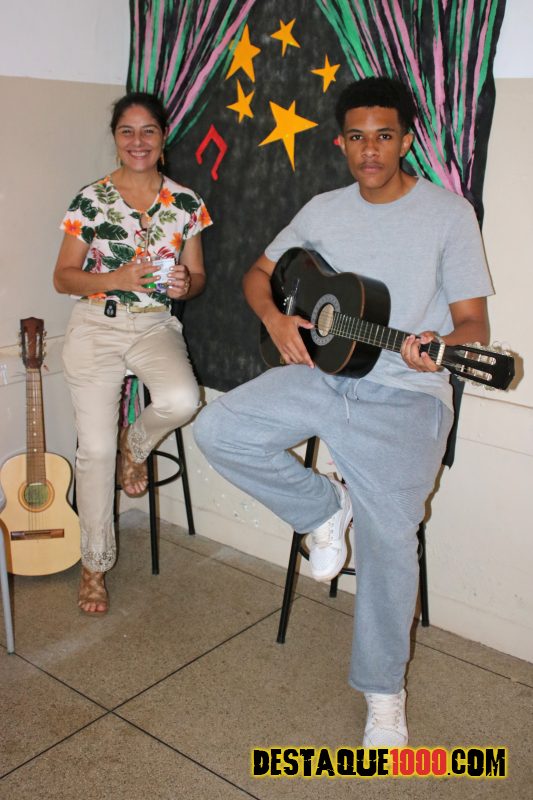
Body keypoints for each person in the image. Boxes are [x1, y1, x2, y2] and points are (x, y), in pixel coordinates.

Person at [193, 76, 493, 746]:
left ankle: (383, 691)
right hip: (322, 376)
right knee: (217, 429)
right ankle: (324, 507)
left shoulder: (449, 215)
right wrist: (275, 319)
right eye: (357, 137)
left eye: (383, 136)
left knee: (390, 540)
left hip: (406, 397)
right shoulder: (322, 209)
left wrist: (439, 348)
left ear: (406, 140)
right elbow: (257, 275)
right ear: (340, 143)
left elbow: (473, 326)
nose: (369, 150)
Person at [54, 92, 212, 615]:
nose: (138, 141)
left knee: (183, 399)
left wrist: (186, 283)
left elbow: (197, 277)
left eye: (148, 131)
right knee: (95, 453)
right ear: (116, 138)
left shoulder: (186, 202)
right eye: (127, 131)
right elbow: (63, 278)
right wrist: (116, 278)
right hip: (95, 327)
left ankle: (136, 443)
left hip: (153, 325)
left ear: (163, 138)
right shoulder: (91, 199)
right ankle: (94, 565)